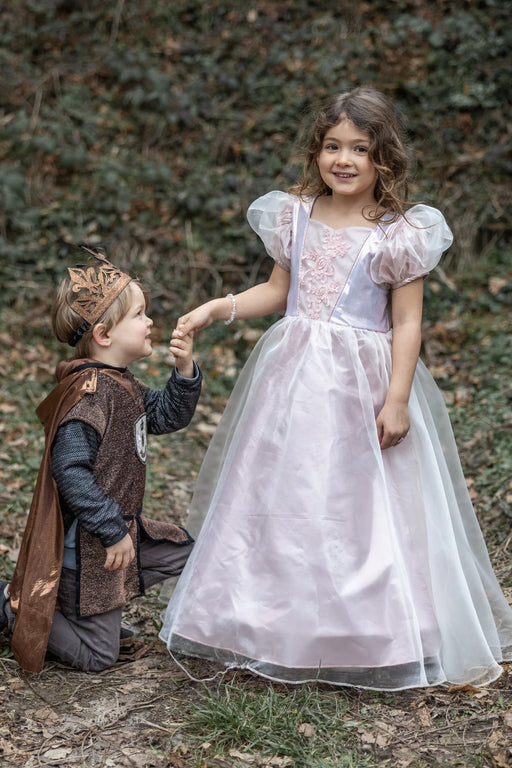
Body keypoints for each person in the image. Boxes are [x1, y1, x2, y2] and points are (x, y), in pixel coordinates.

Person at [159, 86, 512, 690]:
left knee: (358, 501)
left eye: (359, 149)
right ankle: (267, 622)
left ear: (384, 159)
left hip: (362, 383)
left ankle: (373, 630)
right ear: (316, 151)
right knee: (285, 491)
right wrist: (217, 308)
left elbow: (407, 323)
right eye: (332, 146)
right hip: (293, 377)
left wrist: (396, 398)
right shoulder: (296, 214)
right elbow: (278, 292)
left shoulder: (398, 233)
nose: (343, 159)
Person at [0, 248, 202, 674]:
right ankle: (14, 605)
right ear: (105, 335)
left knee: (194, 555)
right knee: (98, 656)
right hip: (92, 544)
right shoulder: (90, 394)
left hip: (123, 529)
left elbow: (165, 415)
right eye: (140, 314)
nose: (150, 322)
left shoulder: (119, 383)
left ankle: (96, 612)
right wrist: (111, 530)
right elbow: (70, 471)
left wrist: (184, 370)